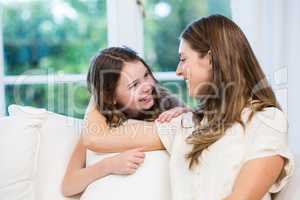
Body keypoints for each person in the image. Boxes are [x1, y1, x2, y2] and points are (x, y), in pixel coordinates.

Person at [83, 15, 294, 200]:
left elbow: (242, 197)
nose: (178, 71)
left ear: (211, 59)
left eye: (183, 59)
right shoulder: (186, 124)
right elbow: (96, 137)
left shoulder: (266, 120)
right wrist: (104, 87)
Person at [61, 46, 187, 197]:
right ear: (110, 96)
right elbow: (69, 186)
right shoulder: (98, 126)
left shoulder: (166, 102)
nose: (147, 87)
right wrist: (110, 165)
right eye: (134, 85)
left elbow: (196, 131)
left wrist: (183, 113)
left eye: (146, 75)